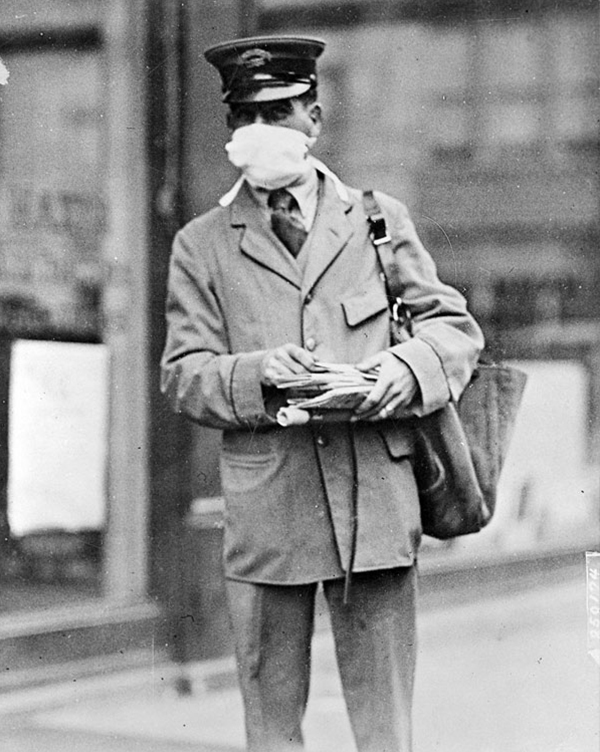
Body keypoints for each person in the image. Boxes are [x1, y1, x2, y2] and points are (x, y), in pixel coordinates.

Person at [161, 35, 484, 752]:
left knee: (386, 727)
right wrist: (260, 373)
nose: (261, 131)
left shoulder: (377, 220)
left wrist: (404, 372)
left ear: (314, 116)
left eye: (278, 112)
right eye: (245, 117)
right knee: (272, 728)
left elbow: (454, 328)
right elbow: (183, 374)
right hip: (270, 509)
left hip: (375, 500)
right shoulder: (202, 244)